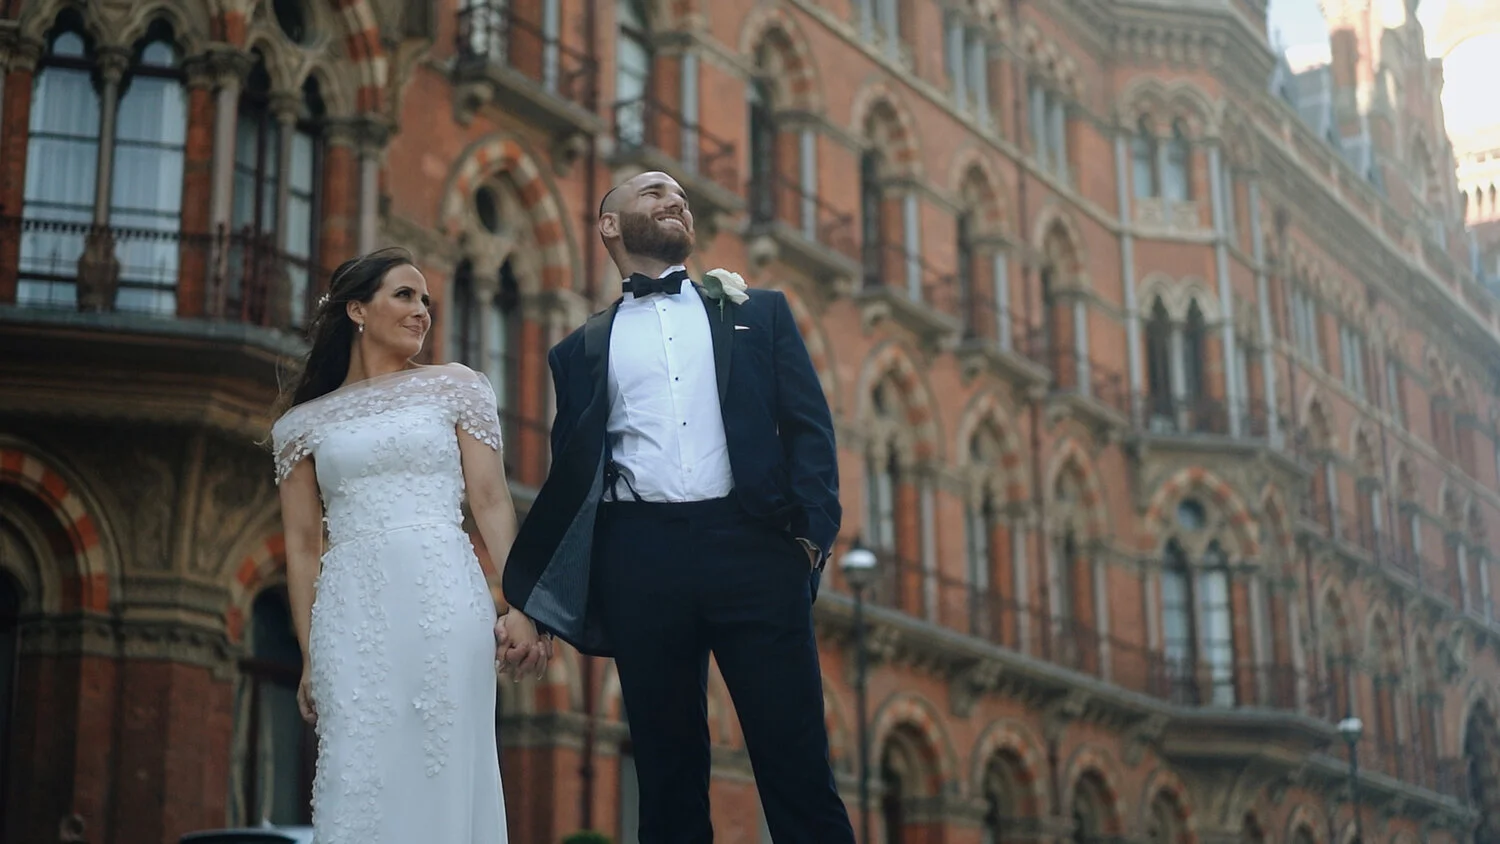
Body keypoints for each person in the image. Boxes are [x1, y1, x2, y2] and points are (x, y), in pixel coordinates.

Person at [501, 171, 855, 843]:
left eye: (682, 198)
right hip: (643, 559)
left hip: (753, 548)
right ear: (609, 225)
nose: (675, 202)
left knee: (799, 767)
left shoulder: (760, 313)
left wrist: (808, 540)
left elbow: (811, 430)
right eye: (654, 193)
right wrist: (534, 600)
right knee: (665, 776)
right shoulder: (577, 351)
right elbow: (572, 479)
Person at [270, 247, 549, 844]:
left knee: (441, 759)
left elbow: (492, 502)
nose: (422, 311)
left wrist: (524, 606)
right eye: (405, 295)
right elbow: (299, 547)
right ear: (357, 310)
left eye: (426, 300)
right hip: (349, 614)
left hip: (443, 598)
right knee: (357, 769)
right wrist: (309, 656)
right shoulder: (299, 428)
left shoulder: (458, 388)